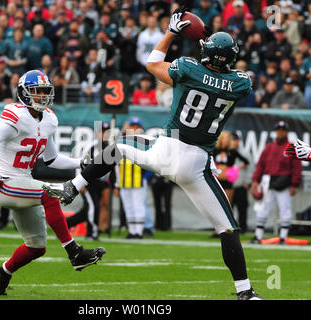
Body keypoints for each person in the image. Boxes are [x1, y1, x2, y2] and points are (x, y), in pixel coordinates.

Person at [43, 7, 262, 300]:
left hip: (166, 148)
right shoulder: (240, 83)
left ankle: (74, 186)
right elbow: (230, 76)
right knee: (227, 229)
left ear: (208, 55)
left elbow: (152, 62)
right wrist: (213, 53)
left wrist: (171, 31)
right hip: (196, 163)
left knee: (116, 145)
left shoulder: (187, 68)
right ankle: (244, 292)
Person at [0, 69, 105, 296]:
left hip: (24, 182)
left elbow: (51, 159)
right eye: (37, 91)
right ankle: (75, 253)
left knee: (36, 247)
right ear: (24, 93)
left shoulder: (50, 119)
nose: (42, 96)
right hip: (4, 182)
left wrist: (80, 162)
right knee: (50, 194)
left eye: (45, 91)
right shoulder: (16, 116)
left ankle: (2, 273)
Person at [250, 121, 302, 245]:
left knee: (285, 210)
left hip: (284, 182)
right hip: (268, 182)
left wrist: (294, 184)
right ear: (276, 131)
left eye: (283, 130)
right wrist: (255, 180)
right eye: (278, 129)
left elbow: (296, 167)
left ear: (287, 132)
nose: (280, 132)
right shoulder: (269, 147)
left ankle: (283, 237)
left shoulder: (291, 147)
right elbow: (261, 165)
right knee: (262, 209)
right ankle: (258, 236)